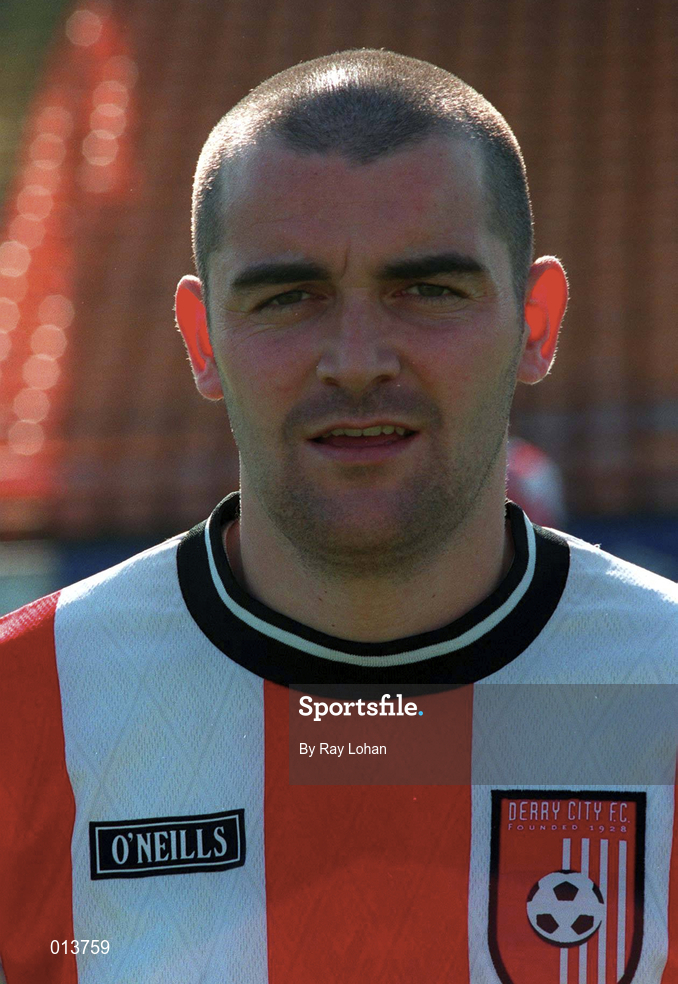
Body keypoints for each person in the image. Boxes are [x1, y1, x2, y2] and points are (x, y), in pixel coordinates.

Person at [0, 49, 676, 984]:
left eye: (428, 290)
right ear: (201, 338)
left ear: (536, 321)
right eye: (289, 297)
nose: (357, 361)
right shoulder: (22, 711)